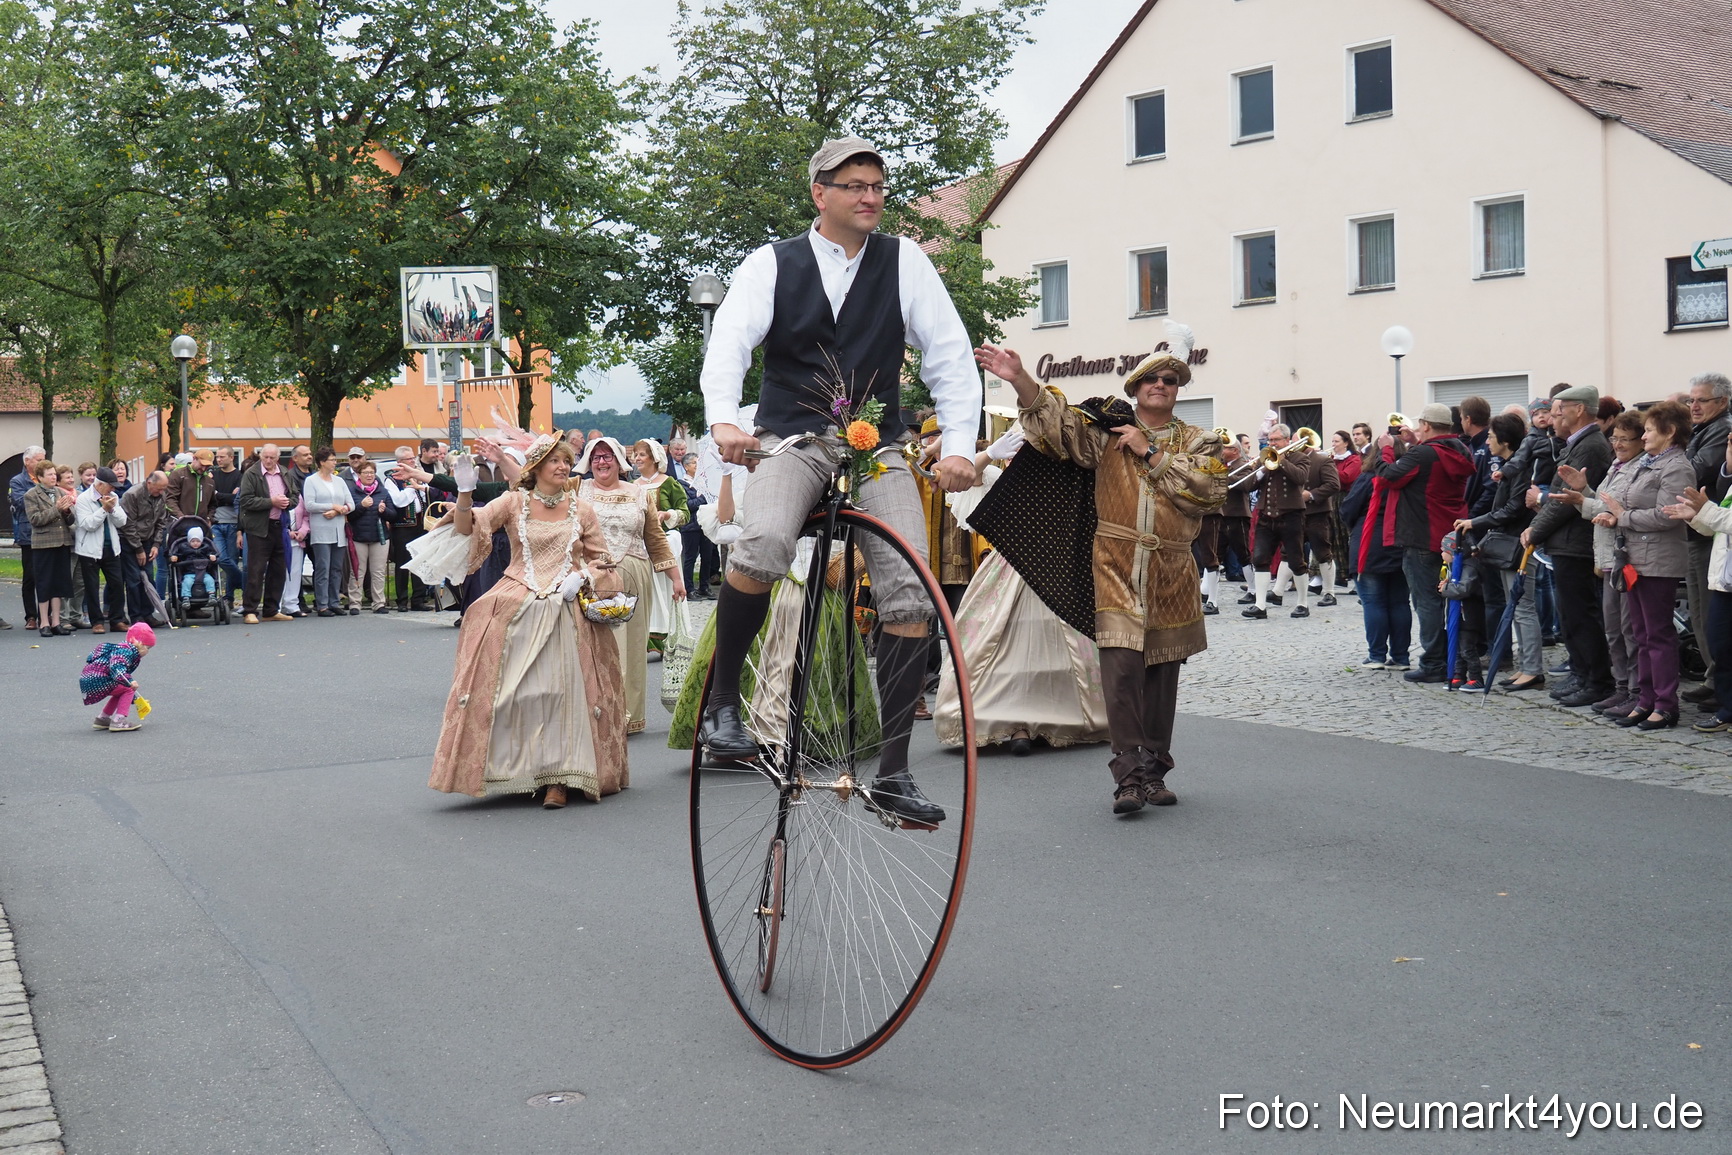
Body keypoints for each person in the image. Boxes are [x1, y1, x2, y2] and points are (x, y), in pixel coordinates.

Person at [695, 136, 981, 828]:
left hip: (875, 443)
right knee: (761, 541)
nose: (870, 196)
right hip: (794, 436)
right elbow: (729, 340)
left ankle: (895, 771)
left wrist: (962, 446)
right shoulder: (771, 263)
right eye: (855, 185)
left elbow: (948, 352)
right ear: (820, 194)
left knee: (911, 584)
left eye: (878, 186)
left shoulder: (904, 261)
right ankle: (723, 704)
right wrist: (722, 421)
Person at [974, 337, 1225, 814]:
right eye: (1151, 378)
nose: (1160, 385)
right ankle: (1127, 776)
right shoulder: (1105, 433)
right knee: (1122, 670)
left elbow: (1208, 493)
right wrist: (1020, 379)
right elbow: (1057, 428)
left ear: (1178, 389)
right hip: (1114, 565)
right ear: (1135, 386)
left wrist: (1150, 451)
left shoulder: (1199, 440)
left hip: (1172, 572)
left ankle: (1155, 772)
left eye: (1169, 380)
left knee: (1160, 677)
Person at [429, 437, 628, 808]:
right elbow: (466, 529)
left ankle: (560, 778)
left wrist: (582, 576)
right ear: (535, 467)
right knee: (516, 693)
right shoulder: (513, 502)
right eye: (554, 461)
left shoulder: (581, 509)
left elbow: (605, 562)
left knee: (563, 693)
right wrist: (465, 493)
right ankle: (521, 769)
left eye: (566, 461)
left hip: (566, 607)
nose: (562, 466)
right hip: (518, 596)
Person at [933, 427, 1110, 753]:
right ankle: (1017, 726)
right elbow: (967, 476)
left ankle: (1046, 721)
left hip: (1057, 568)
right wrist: (989, 453)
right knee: (1005, 641)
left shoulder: (1070, 478)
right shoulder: (1003, 476)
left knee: (1052, 643)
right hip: (1009, 568)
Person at [1573, 401, 1693, 729]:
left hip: (1658, 560)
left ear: (1669, 432)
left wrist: (1622, 516)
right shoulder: (1650, 463)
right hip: (1636, 558)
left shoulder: (1676, 466)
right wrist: (1607, 509)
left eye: (1651, 430)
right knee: (1641, 634)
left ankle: (1666, 704)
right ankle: (1646, 698)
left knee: (1658, 635)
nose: (1646, 435)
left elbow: (1667, 514)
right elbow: (1624, 501)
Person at [578, 437, 684, 733]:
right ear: (589, 461)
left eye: (607, 456)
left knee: (633, 647)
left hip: (635, 573)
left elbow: (656, 539)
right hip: (593, 578)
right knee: (595, 646)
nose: (602, 462)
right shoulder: (577, 490)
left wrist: (676, 578)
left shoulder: (639, 493)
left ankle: (629, 716)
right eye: (596, 457)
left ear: (618, 461)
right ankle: (597, 713)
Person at [1521, 386, 1615, 706]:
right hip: (1566, 542)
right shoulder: (1575, 444)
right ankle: (1582, 673)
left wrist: (1535, 530)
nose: (1555, 418)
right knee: (1571, 616)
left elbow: (1563, 502)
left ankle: (1597, 680)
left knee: (1581, 616)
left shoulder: (1589, 446)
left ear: (1578, 410)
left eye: (1560, 411)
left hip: (1577, 542)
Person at [1373, 403, 1475, 684]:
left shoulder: (1422, 453)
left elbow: (1388, 476)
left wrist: (1386, 448)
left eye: (1420, 427)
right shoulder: (1460, 450)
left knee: (1427, 602)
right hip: (1452, 533)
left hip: (1421, 535)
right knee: (1450, 599)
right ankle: (1451, 658)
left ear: (1427, 426)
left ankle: (1433, 663)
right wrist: (1414, 441)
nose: (1417, 430)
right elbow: (1432, 461)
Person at [1549, 411, 1645, 712]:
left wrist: (1586, 501)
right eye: (1614, 437)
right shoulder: (1618, 465)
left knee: (1631, 631)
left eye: (1624, 439)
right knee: (1614, 630)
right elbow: (1603, 504)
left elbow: (1624, 508)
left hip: (1630, 556)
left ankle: (1635, 691)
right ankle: (1620, 688)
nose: (1617, 444)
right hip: (1608, 557)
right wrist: (1584, 492)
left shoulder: (1642, 468)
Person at [1459, 411, 1544, 690]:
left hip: (1519, 544)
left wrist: (1476, 521)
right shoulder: (1510, 466)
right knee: (1515, 606)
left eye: (1492, 438)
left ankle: (1532, 669)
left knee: (1523, 607)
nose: (1488, 444)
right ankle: (1526, 667)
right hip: (1511, 543)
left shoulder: (1517, 469)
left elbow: (1511, 509)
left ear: (1505, 441)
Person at [1681, 372, 1732, 706]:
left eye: (1701, 400)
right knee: (1700, 613)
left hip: (1711, 532)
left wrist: (1669, 463)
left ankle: (1719, 682)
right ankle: (1715, 679)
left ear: (1722, 402)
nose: (1694, 406)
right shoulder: (1702, 429)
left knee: (1711, 615)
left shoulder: (1721, 429)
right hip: (1698, 526)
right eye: (1691, 400)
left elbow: (1695, 470)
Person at [1341, 440, 1410, 670]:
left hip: (1370, 544)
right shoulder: (1408, 476)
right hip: (1401, 542)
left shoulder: (1369, 476)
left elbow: (1348, 508)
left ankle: (1377, 655)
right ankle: (1401, 657)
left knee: (1374, 602)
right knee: (1400, 602)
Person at [1238, 424, 1314, 620]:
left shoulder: (1300, 458)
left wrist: (1280, 461)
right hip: (1266, 516)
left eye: (1276, 440)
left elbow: (1300, 478)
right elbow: (1248, 485)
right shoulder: (1264, 459)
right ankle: (1260, 605)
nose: (1272, 444)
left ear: (1287, 441)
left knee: (1296, 561)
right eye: (1270, 440)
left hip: (1291, 516)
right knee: (1260, 559)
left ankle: (1302, 603)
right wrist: (1262, 469)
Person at [631, 438, 689, 657]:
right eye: (635, 454)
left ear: (654, 458)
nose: (637, 458)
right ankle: (645, 639)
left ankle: (670, 638)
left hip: (665, 544)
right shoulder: (632, 487)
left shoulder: (669, 483)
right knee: (645, 592)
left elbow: (685, 513)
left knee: (665, 592)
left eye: (642, 454)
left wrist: (668, 514)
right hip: (640, 547)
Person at [237, 444, 300, 624]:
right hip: (258, 528)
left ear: (278, 458)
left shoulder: (284, 473)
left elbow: (295, 495)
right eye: (266, 457)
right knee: (256, 570)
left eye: (272, 457)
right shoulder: (252, 473)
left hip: (280, 526)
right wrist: (271, 501)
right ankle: (250, 610)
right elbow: (246, 501)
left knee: (278, 569)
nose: (269, 461)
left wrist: (288, 503)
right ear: (261, 456)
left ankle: (271, 609)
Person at [299, 447, 354, 616]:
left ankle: (334, 601)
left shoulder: (339, 481)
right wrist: (331, 506)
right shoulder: (312, 481)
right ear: (322, 462)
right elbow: (310, 505)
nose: (335, 462)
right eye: (332, 459)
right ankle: (322, 604)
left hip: (338, 529)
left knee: (336, 568)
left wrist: (338, 511)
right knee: (323, 567)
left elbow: (351, 504)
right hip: (321, 529)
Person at [74, 467, 129, 634]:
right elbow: (88, 524)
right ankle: (96, 622)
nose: (113, 489)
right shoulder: (83, 499)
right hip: (89, 550)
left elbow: (122, 521)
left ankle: (116, 619)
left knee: (117, 585)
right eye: (110, 485)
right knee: (92, 587)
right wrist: (104, 509)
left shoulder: (114, 497)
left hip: (111, 548)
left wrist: (112, 509)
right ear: (100, 484)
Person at [25, 460, 76, 637]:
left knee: (59, 584)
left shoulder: (61, 492)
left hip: (62, 543)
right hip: (43, 545)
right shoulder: (31, 495)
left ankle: (56, 621)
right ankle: (44, 622)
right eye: (50, 474)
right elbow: (35, 519)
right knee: (44, 583)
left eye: (55, 474)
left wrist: (68, 511)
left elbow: (70, 521)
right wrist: (56, 509)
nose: (54, 477)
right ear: (40, 477)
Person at [80, 621, 156, 732]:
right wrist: (130, 681)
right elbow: (116, 667)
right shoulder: (126, 651)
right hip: (99, 678)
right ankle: (119, 721)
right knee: (128, 689)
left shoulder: (123, 648)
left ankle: (102, 718)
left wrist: (134, 698)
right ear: (138, 643)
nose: (147, 652)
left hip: (90, 677)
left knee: (120, 692)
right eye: (147, 648)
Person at [119, 471, 171, 627]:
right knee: (134, 579)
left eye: (164, 489)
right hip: (129, 541)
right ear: (150, 483)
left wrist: (156, 545)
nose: (162, 492)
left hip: (148, 540)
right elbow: (128, 525)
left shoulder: (161, 496)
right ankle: (136, 616)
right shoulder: (132, 495)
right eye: (160, 488)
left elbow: (161, 522)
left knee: (148, 578)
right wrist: (138, 549)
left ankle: (147, 613)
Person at [346, 460, 393, 613]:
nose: (369, 475)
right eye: (365, 472)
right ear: (358, 475)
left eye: (372, 472)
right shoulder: (352, 491)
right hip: (358, 537)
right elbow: (349, 516)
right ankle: (354, 603)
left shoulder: (383, 492)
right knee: (357, 571)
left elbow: (393, 515)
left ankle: (379, 603)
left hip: (380, 538)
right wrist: (361, 506)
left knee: (378, 571)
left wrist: (384, 511)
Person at [9, 444, 46, 628]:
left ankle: (44, 616)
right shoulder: (17, 481)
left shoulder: (46, 478)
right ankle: (31, 616)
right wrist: (41, 496)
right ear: (27, 461)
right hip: (28, 534)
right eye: (39, 460)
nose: (42, 463)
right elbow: (20, 502)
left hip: (47, 533)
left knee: (45, 576)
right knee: (30, 577)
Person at [677, 452, 718, 601]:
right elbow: (687, 505)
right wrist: (703, 498)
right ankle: (689, 589)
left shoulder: (705, 482)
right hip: (690, 526)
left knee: (707, 558)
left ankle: (704, 587)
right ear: (686, 466)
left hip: (706, 524)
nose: (698, 465)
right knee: (690, 558)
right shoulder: (681, 484)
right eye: (694, 463)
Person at [209, 447, 245, 607]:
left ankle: (228, 598)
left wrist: (219, 495)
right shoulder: (213, 475)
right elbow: (211, 497)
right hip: (216, 523)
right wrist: (225, 496)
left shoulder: (240, 476)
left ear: (231, 457)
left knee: (231, 560)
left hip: (233, 523)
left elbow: (236, 499)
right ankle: (245, 582)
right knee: (221, 558)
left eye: (222, 457)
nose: (218, 460)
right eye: (217, 457)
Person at [165, 449, 216, 521]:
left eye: (207, 466)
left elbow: (212, 504)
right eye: (202, 465)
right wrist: (181, 517)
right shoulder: (178, 475)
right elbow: (170, 499)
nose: (204, 468)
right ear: (194, 459)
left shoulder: (210, 482)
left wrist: (209, 518)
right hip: (178, 523)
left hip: (201, 524)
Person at [170, 525, 218, 601]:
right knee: (186, 582)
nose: (195, 543)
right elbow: (178, 554)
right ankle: (186, 597)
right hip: (189, 573)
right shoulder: (184, 548)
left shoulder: (206, 548)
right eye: (193, 541)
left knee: (210, 580)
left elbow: (211, 553)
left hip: (204, 573)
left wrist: (212, 557)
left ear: (201, 541)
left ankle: (212, 595)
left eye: (198, 541)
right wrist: (174, 557)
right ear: (189, 541)